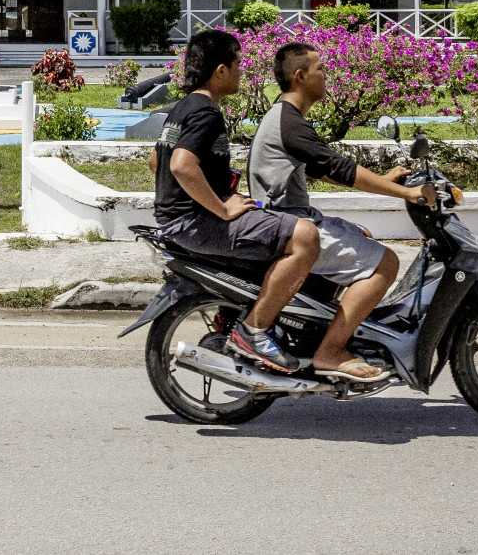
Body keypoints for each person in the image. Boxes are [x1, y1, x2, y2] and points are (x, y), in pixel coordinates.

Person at [248, 39, 440, 382]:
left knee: (362, 235)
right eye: (321, 69)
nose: (327, 75)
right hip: (289, 225)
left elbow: (319, 168)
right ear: (300, 76)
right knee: (385, 263)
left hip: (290, 218)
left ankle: (321, 327)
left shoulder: (285, 117)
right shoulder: (288, 121)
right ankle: (331, 351)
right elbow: (337, 168)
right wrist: (407, 193)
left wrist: (384, 181)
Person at [150, 29, 322, 376]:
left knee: (274, 224)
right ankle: (254, 331)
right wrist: (222, 208)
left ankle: (235, 313)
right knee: (305, 236)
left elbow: (156, 161)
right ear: (221, 71)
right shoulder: (206, 112)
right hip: (194, 223)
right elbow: (180, 165)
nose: (242, 71)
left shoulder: (182, 107)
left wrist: (217, 194)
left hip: (177, 220)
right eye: (238, 64)